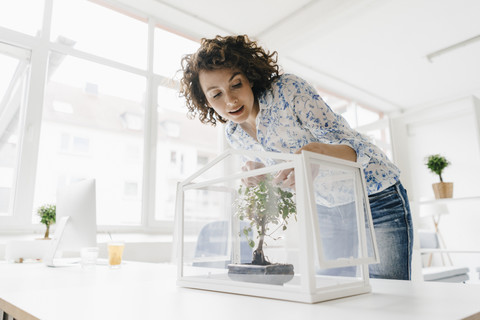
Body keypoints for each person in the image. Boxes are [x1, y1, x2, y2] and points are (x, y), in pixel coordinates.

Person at [179, 34, 413, 280]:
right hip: (325, 208)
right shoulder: (235, 133)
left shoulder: (287, 91)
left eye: (236, 84)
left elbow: (358, 148)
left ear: (250, 78)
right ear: (206, 101)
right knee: (332, 290)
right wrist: (260, 176)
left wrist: (319, 154)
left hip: (376, 197)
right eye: (216, 94)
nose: (230, 100)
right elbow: (284, 178)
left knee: (389, 291)